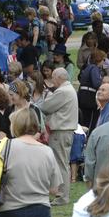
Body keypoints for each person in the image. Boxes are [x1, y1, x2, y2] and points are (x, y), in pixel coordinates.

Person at [40, 68, 78, 206]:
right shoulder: (69, 89)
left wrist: (47, 95)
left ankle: (62, 196)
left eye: (53, 77)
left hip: (61, 132)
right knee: (62, 163)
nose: (52, 80)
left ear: (59, 78)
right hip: (65, 131)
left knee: (61, 164)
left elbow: (45, 107)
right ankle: (61, 194)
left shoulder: (63, 91)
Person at [78, 49, 106, 130]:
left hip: (82, 96)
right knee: (90, 123)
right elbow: (96, 83)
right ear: (99, 59)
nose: (104, 62)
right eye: (103, 60)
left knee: (83, 120)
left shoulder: (87, 67)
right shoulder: (94, 69)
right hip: (89, 99)